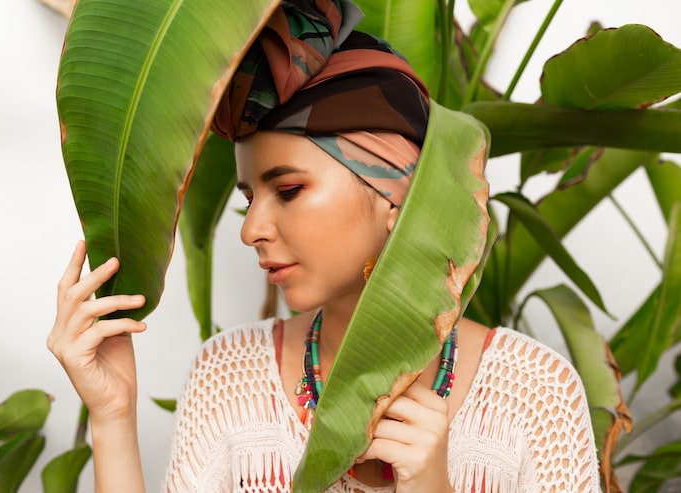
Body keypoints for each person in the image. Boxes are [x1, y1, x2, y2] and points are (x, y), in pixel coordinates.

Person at [48, 1, 601, 491]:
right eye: (248, 198)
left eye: (288, 190)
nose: (250, 230)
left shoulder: (534, 393)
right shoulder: (229, 376)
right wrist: (112, 414)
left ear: (395, 195)